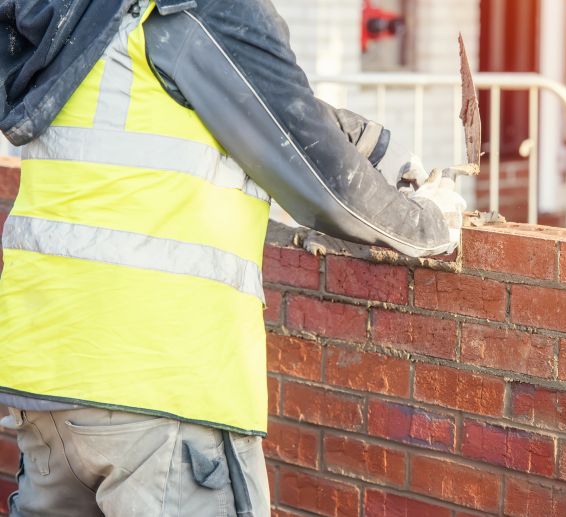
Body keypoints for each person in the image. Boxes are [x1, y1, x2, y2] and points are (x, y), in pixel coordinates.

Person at [0, 0, 466, 515]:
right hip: (160, 382)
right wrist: (430, 222)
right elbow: (328, 189)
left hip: (43, 375)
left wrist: (369, 143)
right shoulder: (205, 9)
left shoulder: (77, 15)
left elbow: (219, 100)